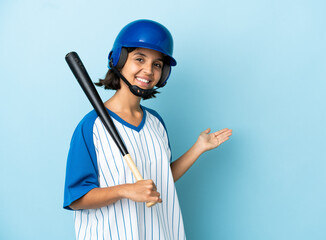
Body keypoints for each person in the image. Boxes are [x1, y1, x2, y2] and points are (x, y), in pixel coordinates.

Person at [63, 19, 232, 240]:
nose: (148, 70)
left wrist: (198, 148)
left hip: (162, 233)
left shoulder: (156, 123)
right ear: (119, 60)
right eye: (139, 59)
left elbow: (161, 178)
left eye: (157, 64)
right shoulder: (91, 127)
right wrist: (124, 190)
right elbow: (76, 199)